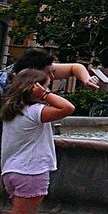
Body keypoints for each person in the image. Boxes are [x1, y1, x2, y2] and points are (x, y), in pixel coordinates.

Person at [1, 69, 75, 214]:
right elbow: (68, 108)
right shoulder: (35, 112)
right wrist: (45, 95)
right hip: (31, 171)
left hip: (11, 170)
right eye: (46, 87)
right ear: (35, 89)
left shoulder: (11, 110)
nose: (48, 90)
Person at [4, 50, 101, 90]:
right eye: (48, 73)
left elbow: (75, 67)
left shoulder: (30, 70)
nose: (53, 77)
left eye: (53, 71)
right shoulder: (5, 86)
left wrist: (87, 80)